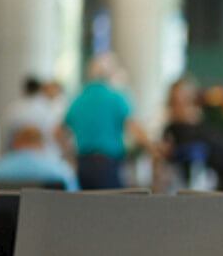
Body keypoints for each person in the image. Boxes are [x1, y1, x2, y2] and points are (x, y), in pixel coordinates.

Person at [59, 53, 155, 189]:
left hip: (83, 163)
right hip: (108, 164)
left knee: (86, 206)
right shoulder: (116, 97)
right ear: (111, 74)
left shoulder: (78, 99)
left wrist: (69, 155)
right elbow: (135, 129)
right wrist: (153, 149)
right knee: (111, 207)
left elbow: (58, 131)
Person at [0, 126, 79, 191]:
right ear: (41, 145)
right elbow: (73, 196)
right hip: (48, 215)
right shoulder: (60, 170)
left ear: (16, 144)